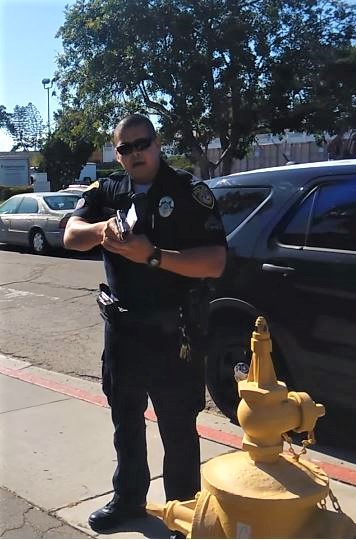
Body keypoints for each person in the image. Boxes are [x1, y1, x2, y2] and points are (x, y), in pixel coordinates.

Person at [63, 113, 227, 534]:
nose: (136, 153)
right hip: (123, 329)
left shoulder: (189, 191)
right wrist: (103, 230)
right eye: (126, 148)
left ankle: (185, 511)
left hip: (173, 331)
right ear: (117, 154)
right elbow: (71, 234)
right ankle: (128, 500)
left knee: (177, 427)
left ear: (158, 143)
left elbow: (215, 261)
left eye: (143, 144)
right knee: (126, 421)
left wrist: (152, 256)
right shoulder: (107, 190)